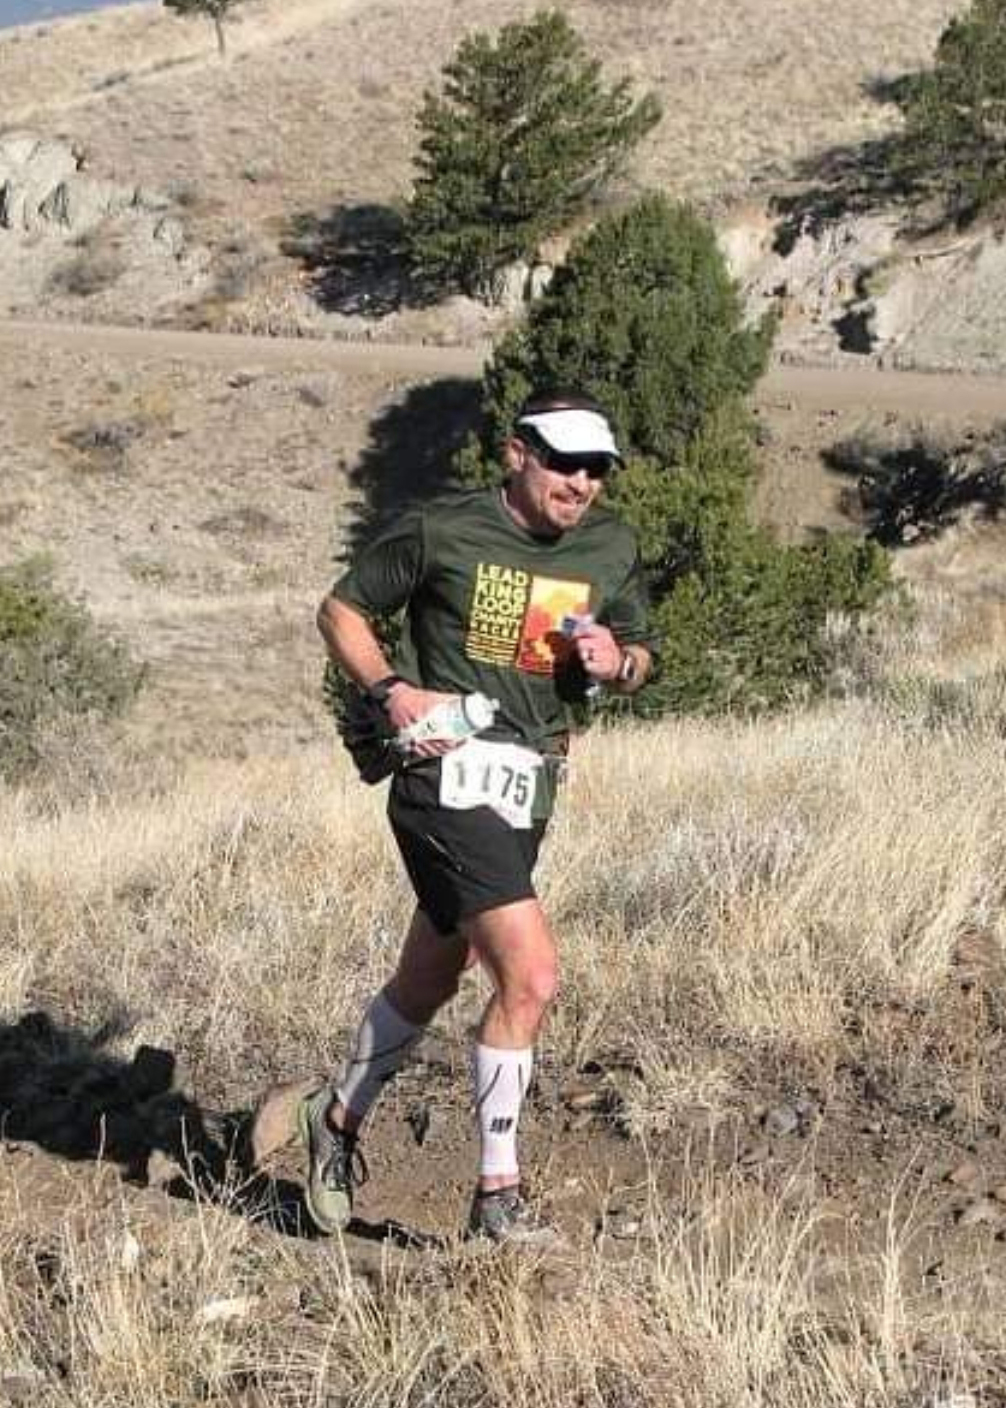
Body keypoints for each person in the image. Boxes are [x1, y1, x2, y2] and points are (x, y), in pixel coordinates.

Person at [308, 391, 655, 1243]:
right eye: (564, 461)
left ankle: (336, 1119)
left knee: (432, 976)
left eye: (596, 468)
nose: (581, 481)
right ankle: (497, 1198)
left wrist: (620, 662)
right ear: (516, 455)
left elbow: (643, 654)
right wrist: (391, 691)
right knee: (530, 976)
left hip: (530, 783)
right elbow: (342, 609)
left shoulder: (610, 547)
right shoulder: (442, 529)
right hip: (442, 773)